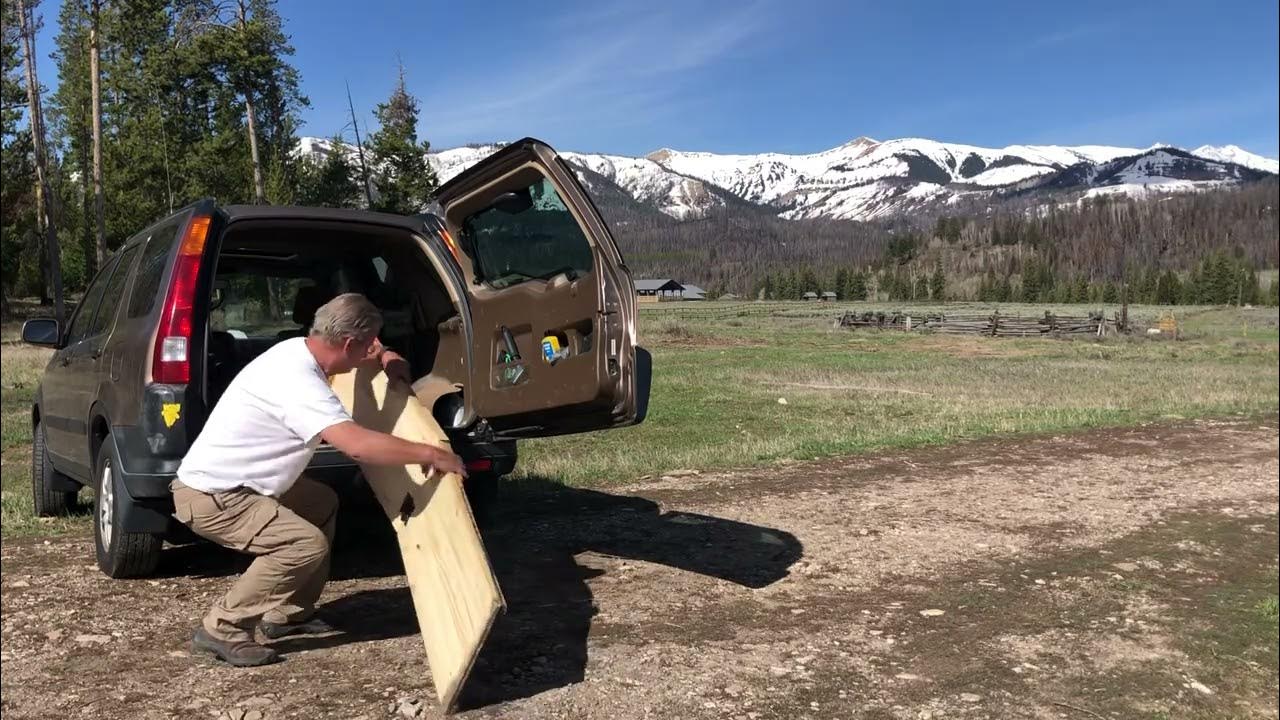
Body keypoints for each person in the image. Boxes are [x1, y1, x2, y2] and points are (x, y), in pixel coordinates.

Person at [171, 292, 466, 667]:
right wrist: (431, 453)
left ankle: (289, 614)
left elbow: (372, 354)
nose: (371, 350)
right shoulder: (300, 380)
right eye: (367, 345)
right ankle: (223, 627)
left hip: (239, 484)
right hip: (215, 496)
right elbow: (356, 445)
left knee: (320, 504)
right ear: (348, 344)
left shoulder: (304, 350)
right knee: (303, 544)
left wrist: (387, 358)